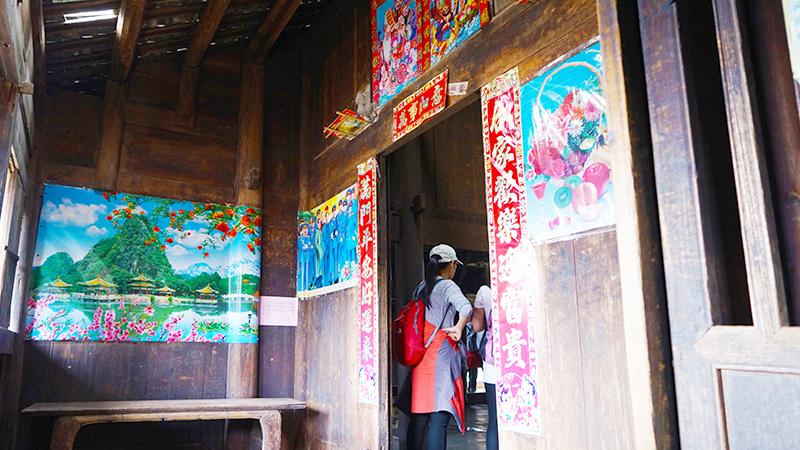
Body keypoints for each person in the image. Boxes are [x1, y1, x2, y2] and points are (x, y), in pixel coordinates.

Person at [406, 244, 473, 450]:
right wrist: (460, 327)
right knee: (438, 418)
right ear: (451, 265)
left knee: (419, 416)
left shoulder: (421, 287)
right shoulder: (448, 286)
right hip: (440, 356)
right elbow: (466, 307)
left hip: (420, 356)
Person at [472, 284, 497, 450]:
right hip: (525, 364)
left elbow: (477, 326)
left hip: (493, 364)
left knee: (494, 421)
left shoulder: (485, 292)